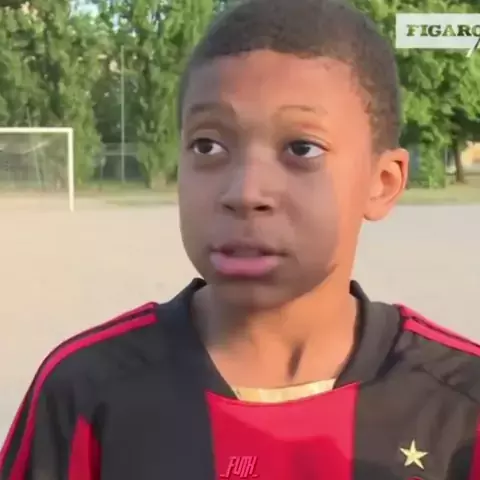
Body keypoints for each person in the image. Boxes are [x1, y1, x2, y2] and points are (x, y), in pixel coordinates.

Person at [1, 0, 480, 478]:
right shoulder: (84, 391)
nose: (245, 192)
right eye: (207, 145)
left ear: (382, 182)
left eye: (302, 148)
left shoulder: (460, 401)